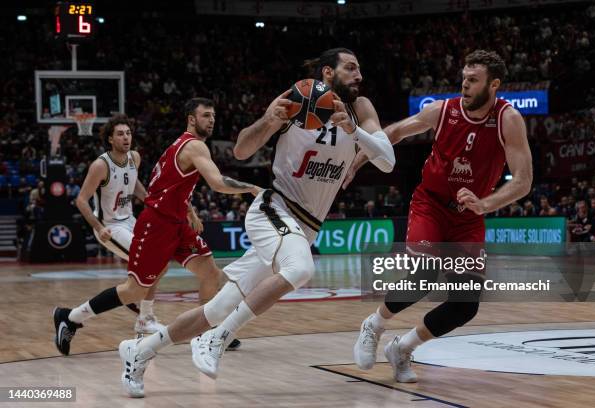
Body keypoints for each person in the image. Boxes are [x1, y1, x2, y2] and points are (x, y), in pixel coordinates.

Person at [117, 47, 395, 397]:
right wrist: (269, 121)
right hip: (275, 207)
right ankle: (217, 339)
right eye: (351, 68)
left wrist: (354, 130)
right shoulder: (296, 100)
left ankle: (139, 352)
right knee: (300, 269)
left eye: (359, 69)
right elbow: (241, 150)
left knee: (218, 307)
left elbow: (387, 162)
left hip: (305, 226)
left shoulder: (361, 108)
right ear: (328, 72)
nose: (359, 75)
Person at [348, 50, 533, 383]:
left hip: (469, 215)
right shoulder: (443, 110)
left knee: (465, 305)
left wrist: (485, 204)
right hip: (430, 204)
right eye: (463, 78)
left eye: (473, 80)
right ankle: (373, 324)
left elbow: (523, 180)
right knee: (426, 275)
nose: (465, 85)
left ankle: (402, 348)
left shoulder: (508, 119)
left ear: (494, 85)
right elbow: (392, 134)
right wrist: (355, 164)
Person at [53, 99, 259, 362]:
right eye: (206, 115)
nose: (212, 120)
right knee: (134, 290)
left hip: (174, 223)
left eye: (213, 116)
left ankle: (205, 333)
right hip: (155, 224)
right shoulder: (193, 146)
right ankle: (71, 318)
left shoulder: (170, 148)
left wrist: (188, 210)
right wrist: (252, 188)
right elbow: (217, 183)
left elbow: (161, 186)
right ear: (191, 119)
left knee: (210, 272)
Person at [66, 114, 166, 335]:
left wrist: (153, 202)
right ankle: (144, 317)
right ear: (110, 139)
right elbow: (81, 200)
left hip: (130, 220)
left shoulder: (135, 158)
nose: (126, 137)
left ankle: (134, 300)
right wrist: (99, 227)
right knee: (150, 261)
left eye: (128, 133)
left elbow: (134, 183)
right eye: (120, 134)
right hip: (110, 226)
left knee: (158, 259)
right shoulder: (100, 166)